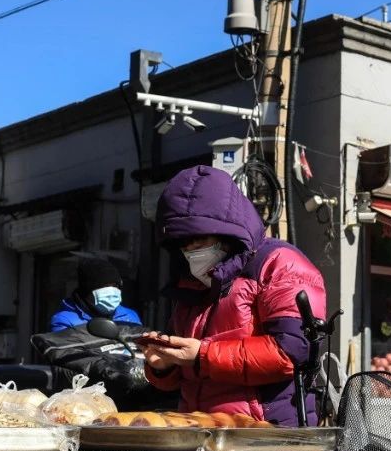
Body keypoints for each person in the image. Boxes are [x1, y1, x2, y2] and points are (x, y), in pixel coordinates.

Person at [138, 165, 326, 426]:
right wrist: (164, 365)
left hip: (264, 436)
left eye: (199, 239)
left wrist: (202, 355)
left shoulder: (279, 264)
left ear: (227, 231)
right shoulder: (191, 282)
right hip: (200, 432)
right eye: (183, 243)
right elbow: (186, 375)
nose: (191, 250)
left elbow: (291, 352)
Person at [48, 256, 141, 332]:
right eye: (105, 286)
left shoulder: (129, 315)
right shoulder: (65, 320)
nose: (111, 291)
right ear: (88, 290)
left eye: (115, 285)